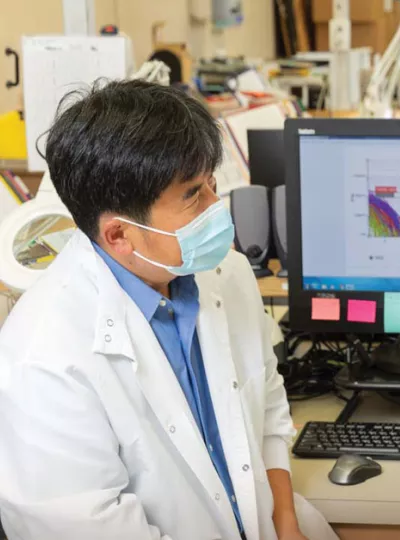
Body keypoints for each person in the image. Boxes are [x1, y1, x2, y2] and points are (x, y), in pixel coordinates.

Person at [0, 80, 338, 540]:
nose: (218, 209)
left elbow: (271, 411)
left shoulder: (227, 273)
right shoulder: (43, 357)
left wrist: (286, 524)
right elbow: (88, 526)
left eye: (213, 184)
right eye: (194, 195)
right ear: (119, 234)